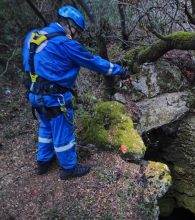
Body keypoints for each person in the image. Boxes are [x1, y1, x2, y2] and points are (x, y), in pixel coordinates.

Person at [22, 5, 130, 180]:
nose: (77, 35)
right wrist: (119, 70)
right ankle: (68, 168)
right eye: (77, 31)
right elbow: (93, 62)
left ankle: (43, 162)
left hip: (34, 94)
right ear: (70, 25)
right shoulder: (66, 43)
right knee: (63, 131)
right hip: (54, 97)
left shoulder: (33, 37)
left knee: (45, 127)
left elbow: (28, 64)